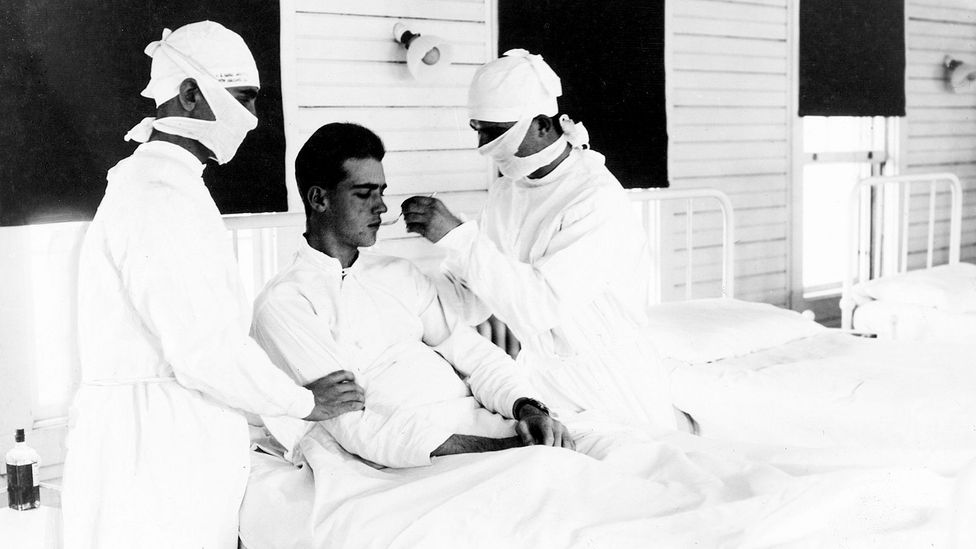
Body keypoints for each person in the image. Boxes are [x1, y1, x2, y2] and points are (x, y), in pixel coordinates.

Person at [60, 22, 365, 549]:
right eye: (242, 98)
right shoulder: (159, 196)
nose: (250, 120)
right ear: (190, 94)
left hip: (166, 441)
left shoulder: (170, 186)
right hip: (155, 452)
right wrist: (302, 402)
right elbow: (204, 351)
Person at [250, 122, 574, 468]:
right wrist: (501, 448)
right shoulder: (286, 302)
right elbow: (355, 427)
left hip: (483, 424)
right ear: (319, 199)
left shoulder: (398, 272)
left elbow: (477, 357)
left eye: (381, 192)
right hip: (415, 455)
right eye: (364, 193)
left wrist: (526, 406)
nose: (382, 208)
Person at [400, 49, 675, 430]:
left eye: (495, 133)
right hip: (543, 379)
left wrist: (460, 236)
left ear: (543, 125)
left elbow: (540, 305)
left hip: (613, 382)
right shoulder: (508, 193)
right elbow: (476, 297)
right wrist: (404, 292)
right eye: (478, 129)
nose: (484, 145)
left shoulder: (593, 197)